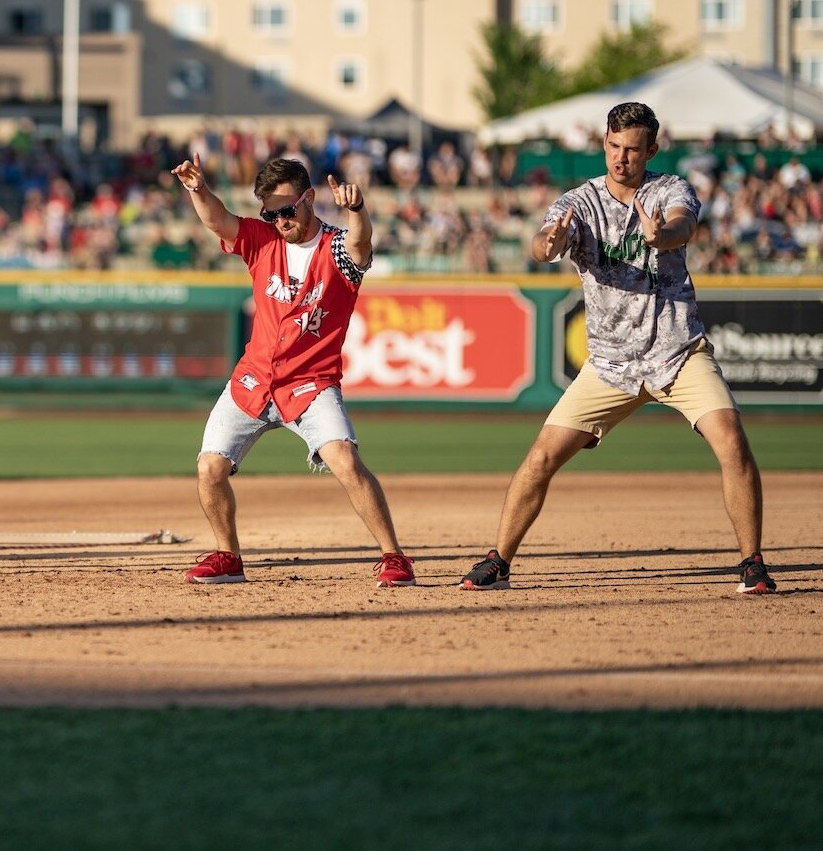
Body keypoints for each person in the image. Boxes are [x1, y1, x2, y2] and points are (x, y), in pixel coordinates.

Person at [460, 102, 778, 595]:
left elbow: (681, 224)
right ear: (603, 144)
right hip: (610, 364)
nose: (621, 158)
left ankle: (752, 563)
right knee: (541, 458)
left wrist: (663, 234)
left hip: (678, 353)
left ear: (652, 149)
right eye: (613, 147)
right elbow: (541, 244)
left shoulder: (668, 189)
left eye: (632, 149)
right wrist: (549, 243)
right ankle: (498, 560)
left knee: (733, 442)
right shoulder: (580, 203)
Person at [169, 154, 416, 587]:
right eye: (271, 212)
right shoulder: (262, 240)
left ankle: (394, 557)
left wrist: (357, 211)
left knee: (345, 460)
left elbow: (360, 244)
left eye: (287, 209)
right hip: (255, 378)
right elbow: (218, 221)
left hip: (311, 383)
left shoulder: (337, 248)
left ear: (309, 198)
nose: (280, 219)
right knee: (210, 467)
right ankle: (229, 557)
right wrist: (198, 189)